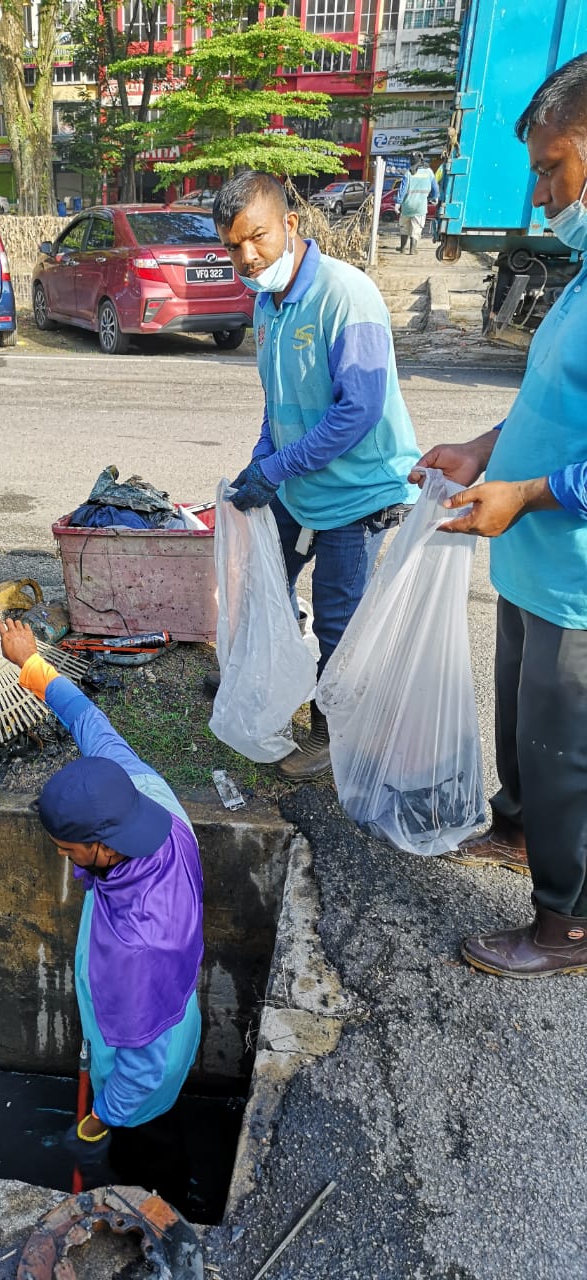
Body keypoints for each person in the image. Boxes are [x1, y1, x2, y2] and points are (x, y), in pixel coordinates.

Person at [413, 54, 587, 979]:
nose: (541, 188)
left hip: (575, 580)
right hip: (529, 561)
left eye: (555, 164)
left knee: (565, 750)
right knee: (524, 727)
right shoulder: (584, 276)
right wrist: (487, 452)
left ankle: (567, 926)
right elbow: (548, 403)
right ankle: (519, 832)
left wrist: (528, 494)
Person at [211, 171, 421, 779]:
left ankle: (333, 730)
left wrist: (277, 467)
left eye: (258, 237)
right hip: (300, 483)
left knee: (337, 616)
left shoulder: (346, 295)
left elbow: (358, 410)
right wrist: (261, 457)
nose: (248, 257)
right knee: (261, 580)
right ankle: (261, 678)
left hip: (360, 492)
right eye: (233, 245)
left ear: (291, 225)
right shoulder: (265, 301)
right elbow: (279, 400)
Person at [0, 617, 204, 1202]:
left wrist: (103, 1119)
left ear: (101, 848)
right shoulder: (148, 795)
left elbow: (139, 1064)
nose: (62, 858)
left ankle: (163, 1208)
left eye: (66, 850)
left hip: (141, 1072)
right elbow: (91, 722)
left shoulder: (138, 942)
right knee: (163, 1115)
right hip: (175, 1014)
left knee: (147, 1157)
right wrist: (32, 665)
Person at [395, 153, 440, 253]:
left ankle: (402, 248)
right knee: (417, 228)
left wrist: (398, 203)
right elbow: (435, 188)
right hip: (420, 206)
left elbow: (402, 189)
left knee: (404, 227)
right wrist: (435, 197)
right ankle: (413, 249)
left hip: (407, 206)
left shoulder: (409, 172)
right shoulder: (429, 172)